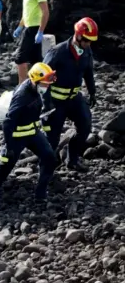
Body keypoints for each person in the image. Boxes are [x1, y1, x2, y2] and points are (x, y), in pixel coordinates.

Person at [0, 63, 58, 209]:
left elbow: (46, 106)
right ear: (35, 80)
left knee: (49, 158)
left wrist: (47, 124)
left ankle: (40, 195)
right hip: (18, 136)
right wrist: (9, 146)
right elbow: (8, 122)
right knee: (5, 168)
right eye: (45, 83)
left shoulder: (39, 88)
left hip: (33, 133)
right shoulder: (22, 96)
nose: (47, 86)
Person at [42, 17, 98, 172]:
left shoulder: (86, 51)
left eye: (91, 41)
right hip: (56, 101)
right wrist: (45, 103)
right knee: (52, 138)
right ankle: (46, 169)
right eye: (86, 40)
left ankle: (72, 159)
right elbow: (42, 77)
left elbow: (88, 72)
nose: (88, 44)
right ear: (78, 36)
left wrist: (92, 92)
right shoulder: (58, 52)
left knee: (85, 127)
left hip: (74, 98)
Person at [13, 0, 49, 84]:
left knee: (20, 58)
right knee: (36, 60)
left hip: (34, 29)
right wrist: (19, 27)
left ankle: (20, 87)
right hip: (28, 27)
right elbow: (27, 12)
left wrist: (40, 31)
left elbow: (45, 12)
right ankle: (38, 86)